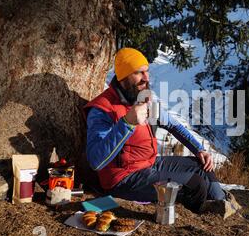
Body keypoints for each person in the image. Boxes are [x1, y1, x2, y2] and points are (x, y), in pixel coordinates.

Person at [84, 48, 239, 214]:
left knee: (202, 165)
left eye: (147, 71)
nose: (146, 77)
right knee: (195, 184)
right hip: (124, 179)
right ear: (123, 77)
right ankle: (207, 215)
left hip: (149, 163)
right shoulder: (102, 110)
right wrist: (127, 123)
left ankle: (222, 205)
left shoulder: (141, 98)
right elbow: (96, 160)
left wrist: (198, 149)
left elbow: (172, 125)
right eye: (138, 72)